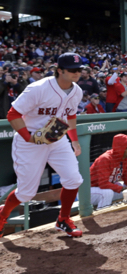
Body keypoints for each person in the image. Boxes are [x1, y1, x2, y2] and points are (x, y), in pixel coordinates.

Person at [0, 52, 86, 237]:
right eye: (72, 70)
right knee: (25, 194)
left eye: (79, 69)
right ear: (59, 71)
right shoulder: (38, 88)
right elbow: (13, 114)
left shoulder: (77, 91)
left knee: (74, 180)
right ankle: (2, 214)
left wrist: (75, 140)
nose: (77, 73)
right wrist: (29, 137)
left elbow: (70, 115)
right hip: (30, 143)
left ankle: (63, 219)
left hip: (57, 140)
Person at [90, 134, 127, 209]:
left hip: (107, 188)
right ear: (121, 148)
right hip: (89, 191)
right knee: (107, 193)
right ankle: (102, 216)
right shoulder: (105, 159)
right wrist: (122, 189)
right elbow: (103, 184)